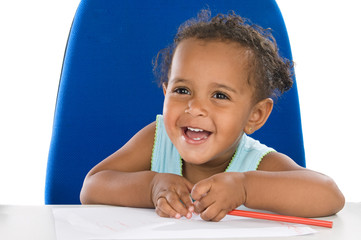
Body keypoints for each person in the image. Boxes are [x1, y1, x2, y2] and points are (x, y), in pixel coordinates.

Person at [80, 10, 344, 222]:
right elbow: (91, 187)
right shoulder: (157, 140)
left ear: (256, 115)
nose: (194, 108)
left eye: (219, 95)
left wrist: (245, 188)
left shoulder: (256, 163)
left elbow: (330, 195)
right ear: (165, 93)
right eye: (182, 90)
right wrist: (151, 187)